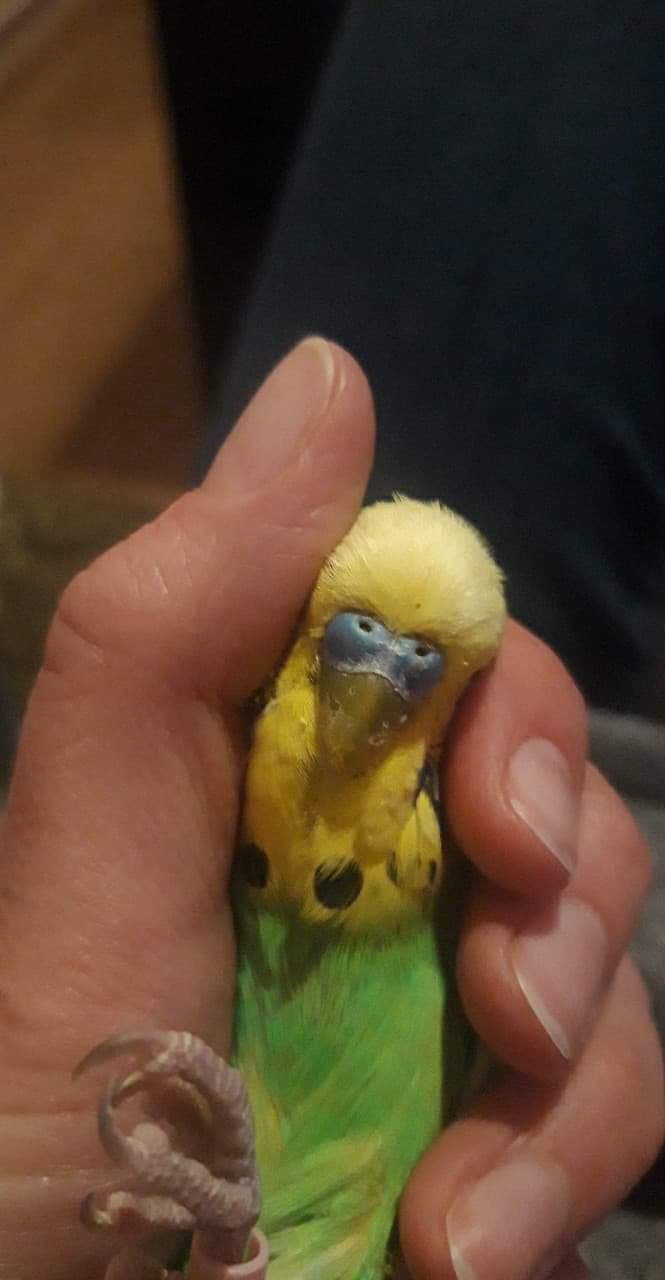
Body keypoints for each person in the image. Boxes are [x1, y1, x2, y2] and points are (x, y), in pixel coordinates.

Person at [0, 340, 661, 1279]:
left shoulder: (453, 879)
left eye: (422, 667)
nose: (377, 679)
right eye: (343, 639)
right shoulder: (216, 813)